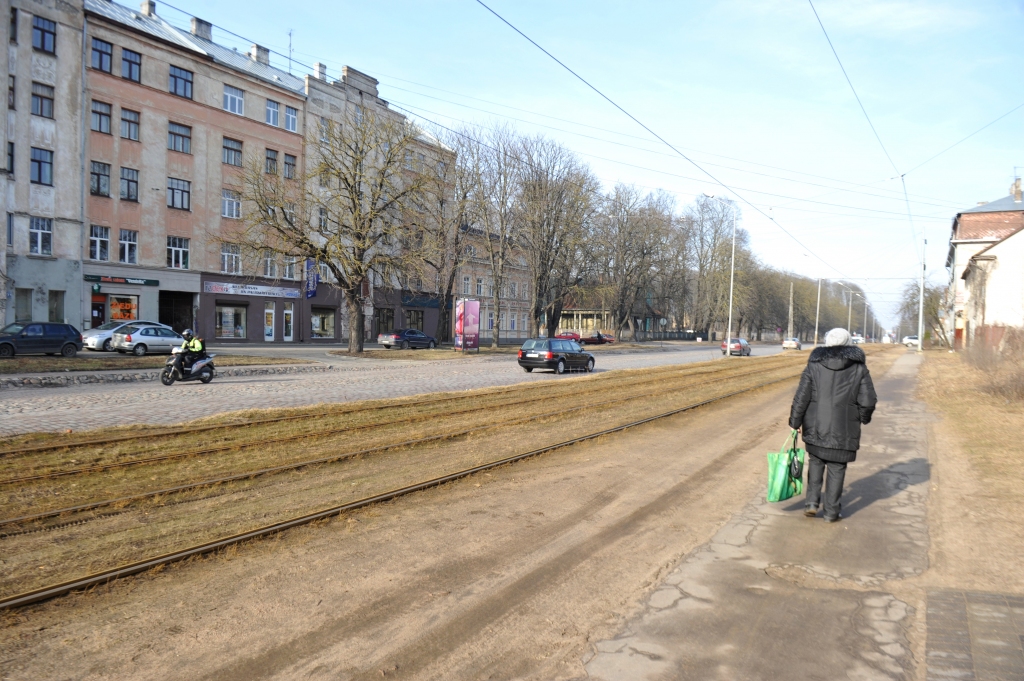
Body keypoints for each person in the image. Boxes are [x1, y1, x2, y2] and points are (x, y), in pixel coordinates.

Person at [789, 328, 877, 522]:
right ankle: (831, 512)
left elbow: (801, 396)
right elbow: (868, 400)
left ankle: (811, 503)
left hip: (815, 425)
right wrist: (863, 417)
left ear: (827, 343)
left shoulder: (814, 365)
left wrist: (795, 422)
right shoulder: (859, 368)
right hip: (845, 429)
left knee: (816, 461)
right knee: (837, 467)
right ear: (848, 344)